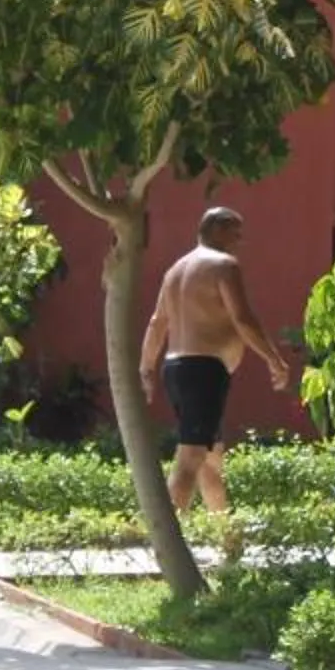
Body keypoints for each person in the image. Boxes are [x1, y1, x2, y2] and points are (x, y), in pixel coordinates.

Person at [139, 207, 290, 514]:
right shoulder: (223, 265)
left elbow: (157, 323)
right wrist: (274, 359)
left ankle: (226, 539)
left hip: (176, 368)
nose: (239, 240)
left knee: (211, 460)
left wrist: (147, 367)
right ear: (216, 229)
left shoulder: (175, 270)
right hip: (204, 371)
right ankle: (163, 543)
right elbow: (243, 319)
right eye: (235, 232)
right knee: (191, 456)